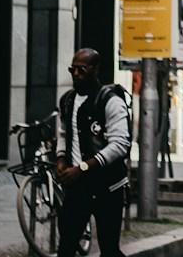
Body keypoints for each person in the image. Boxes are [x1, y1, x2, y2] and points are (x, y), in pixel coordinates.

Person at [55, 49, 132, 257]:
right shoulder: (67, 101)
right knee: (66, 246)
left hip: (108, 187)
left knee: (109, 249)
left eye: (82, 69)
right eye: (73, 69)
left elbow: (120, 144)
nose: (76, 74)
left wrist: (83, 167)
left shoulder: (111, 101)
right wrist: (61, 159)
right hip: (78, 187)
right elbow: (63, 133)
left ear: (95, 69)